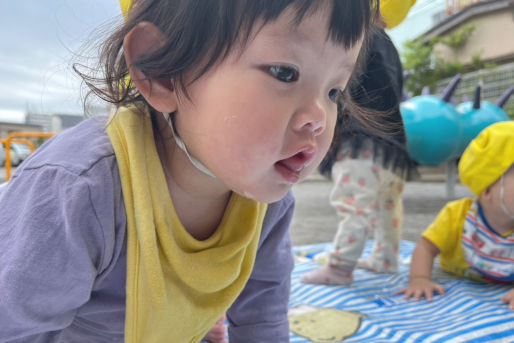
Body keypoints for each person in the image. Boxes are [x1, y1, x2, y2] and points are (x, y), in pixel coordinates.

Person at [0, 1, 380, 342]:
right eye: (285, 72)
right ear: (161, 69)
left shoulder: (269, 202)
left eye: (334, 92)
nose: (318, 117)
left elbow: (262, 312)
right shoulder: (82, 189)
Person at [301, 7, 418, 286]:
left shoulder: (358, 39)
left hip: (360, 141)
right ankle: (386, 258)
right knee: (388, 206)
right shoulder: (390, 46)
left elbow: (340, 86)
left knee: (353, 203)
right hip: (393, 147)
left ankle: (341, 267)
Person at [396, 121, 514, 310]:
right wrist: (420, 279)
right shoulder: (457, 216)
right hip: (453, 274)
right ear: (487, 189)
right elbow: (426, 247)